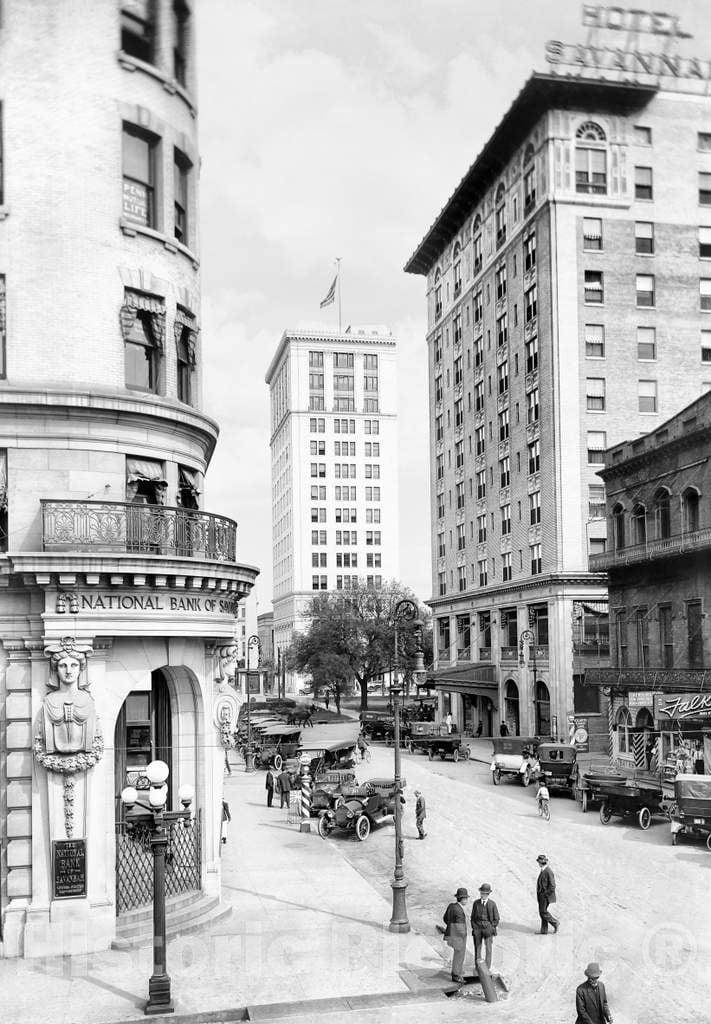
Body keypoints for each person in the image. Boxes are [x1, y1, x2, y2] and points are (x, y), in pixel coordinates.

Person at [442, 887, 470, 983]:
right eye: (466, 898)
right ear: (462, 899)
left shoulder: (451, 906)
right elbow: (460, 928)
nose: (466, 900)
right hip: (459, 937)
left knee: (456, 954)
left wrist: (451, 927)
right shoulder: (459, 911)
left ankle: (455, 972)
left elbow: (445, 918)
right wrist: (465, 934)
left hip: (451, 935)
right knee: (459, 955)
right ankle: (456, 975)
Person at [470, 882, 499, 969]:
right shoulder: (476, 903)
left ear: (488, 894)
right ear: (480, 893)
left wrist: (491, 927)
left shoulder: (492, 904)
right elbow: (472, 917)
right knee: (477, 948)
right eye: (482, 893)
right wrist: (475, 928)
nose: (483, 895)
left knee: (488, 949)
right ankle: (478, 967)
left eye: (486, 894)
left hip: (488, 930)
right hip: (477, 929)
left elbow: (496, 918)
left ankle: (487, 967)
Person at [536, 854, 559, 934]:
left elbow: (552, 886)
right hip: (542, 895)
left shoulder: (548, 871)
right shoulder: (544, 870)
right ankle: (544, 930)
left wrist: (545, 894)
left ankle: (555, 923)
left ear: (541, 863)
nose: (538, 863)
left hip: (545, 896)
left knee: (543, 912)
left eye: (538, 862)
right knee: (542, 912)